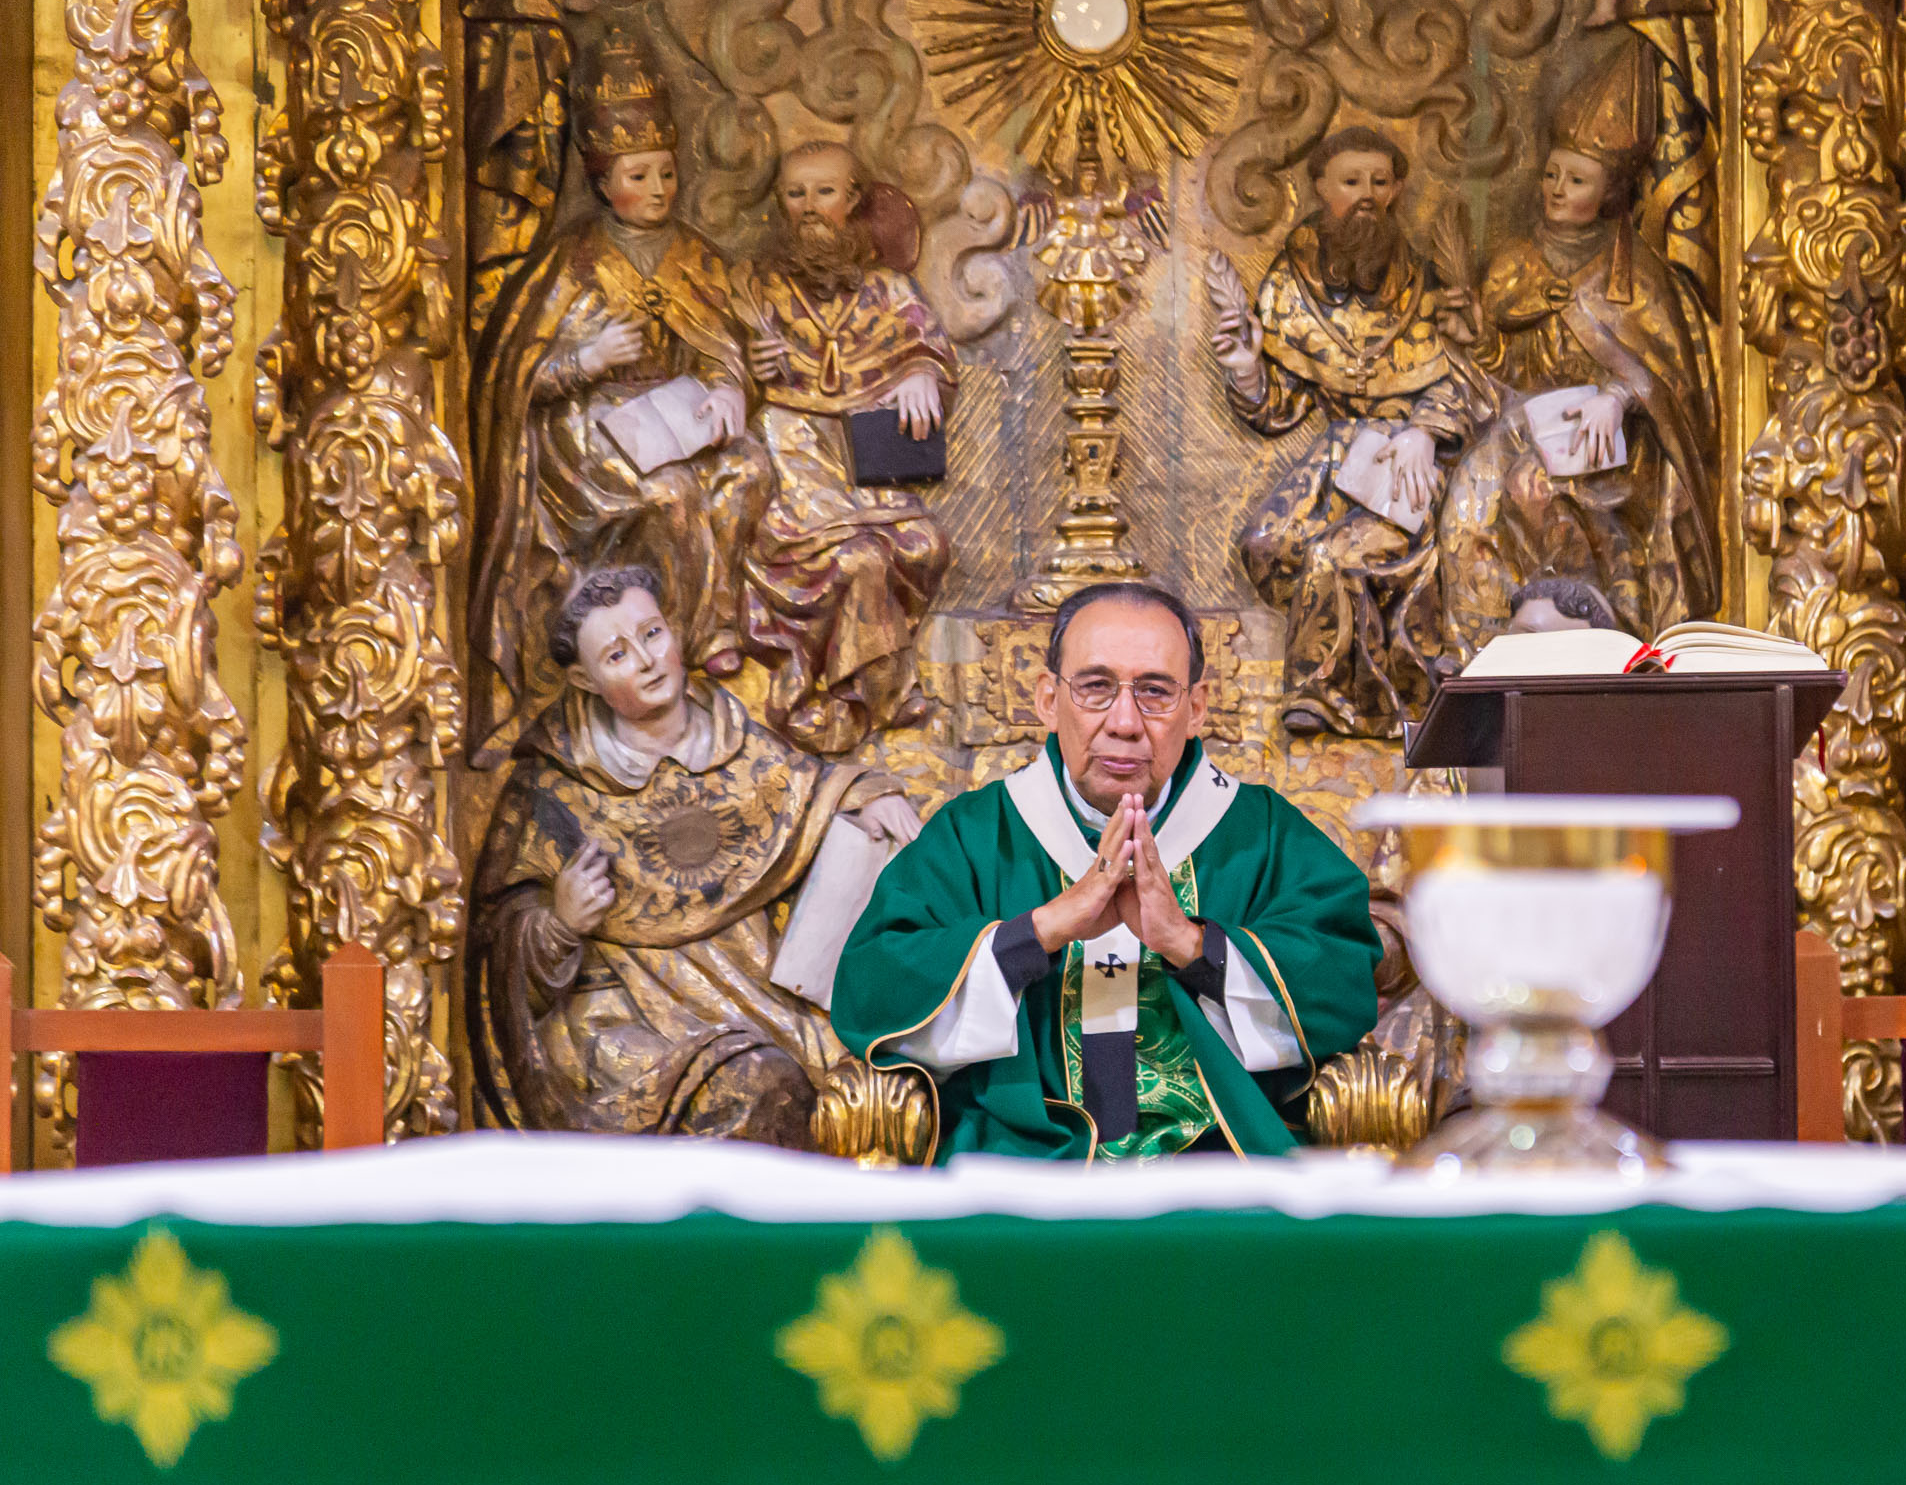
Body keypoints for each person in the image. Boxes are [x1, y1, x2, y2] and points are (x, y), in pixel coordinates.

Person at [830, 583, 1383, 1161]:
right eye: (1095, 688)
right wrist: (1039, 932)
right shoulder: (975, 836)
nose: (1124, 721)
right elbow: (873, 989)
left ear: (1196, 708)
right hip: (1023, 1160)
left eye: (1155, 692)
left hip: (1221, 1163)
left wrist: (1191, 945)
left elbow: (1343, 982)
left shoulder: (1261, 835)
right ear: (1047, 699)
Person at [469, 566, 922, 1146]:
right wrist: (558, 924)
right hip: (625, 1021)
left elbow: (809, 793)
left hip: (754, 992)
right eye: (617, 656)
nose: (647, 660)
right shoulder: (553, 789)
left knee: (884, 1071)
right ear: (584, 680)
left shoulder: (738, 742)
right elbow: (497, 951)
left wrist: (866, 795)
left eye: (653, 635)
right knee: (763, 1084)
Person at [468, 26, 774, 764]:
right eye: (640, 176)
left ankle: (720, 628)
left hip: (680, 417)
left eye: (666, 174)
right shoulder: (573, 261)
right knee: (671, 497)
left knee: (749, 473)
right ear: (604, 182)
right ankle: (682, 647)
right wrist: (585, 361)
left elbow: (730, 341)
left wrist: (733, 388)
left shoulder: (695, 253)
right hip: (589, 438)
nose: (659, 191)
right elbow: (513, 378)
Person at [1436, 43, 1719, 656]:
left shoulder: (1638, 277)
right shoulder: (1516, 263)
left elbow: (1673, 384)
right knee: (1472, 503)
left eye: (1577, 179)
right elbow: (1511, 374)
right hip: (1527, 431)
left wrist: (1619, 397)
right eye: (1551, 174)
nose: (1557, 190)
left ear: (1612, 191)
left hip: (1619, 455)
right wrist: (1479, 344)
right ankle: (1490, 651)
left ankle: (1588, 643)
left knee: (1533, 487)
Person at [1215, 125, 1494, 738]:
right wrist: (1246, 372)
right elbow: (1282, 405)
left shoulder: (1427, 284)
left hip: (1411, 467)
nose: (1366, 195)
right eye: (1350, 181)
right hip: (1340, 460)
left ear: (1395, 190)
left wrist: (1424, 430)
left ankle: (1325, 696)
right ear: (1320, 188)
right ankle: (1360, 642)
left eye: (1378, 181)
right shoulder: (1290, 288)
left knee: (1331, 556)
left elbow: (1466, 380)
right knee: (1269, 545)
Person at [730, 139, 957, 753]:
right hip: (791, 457)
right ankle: (863, 691)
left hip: (866, 461)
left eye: (824, 192)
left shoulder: (887, 289)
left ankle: (863, 685)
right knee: (857, 559)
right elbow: (717, 372)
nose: (808, 208)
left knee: (923, 544)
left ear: (853, 200)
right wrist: (750, 368)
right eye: (795, 193)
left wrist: (920, 372)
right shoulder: (757, 286)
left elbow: (927, 346)